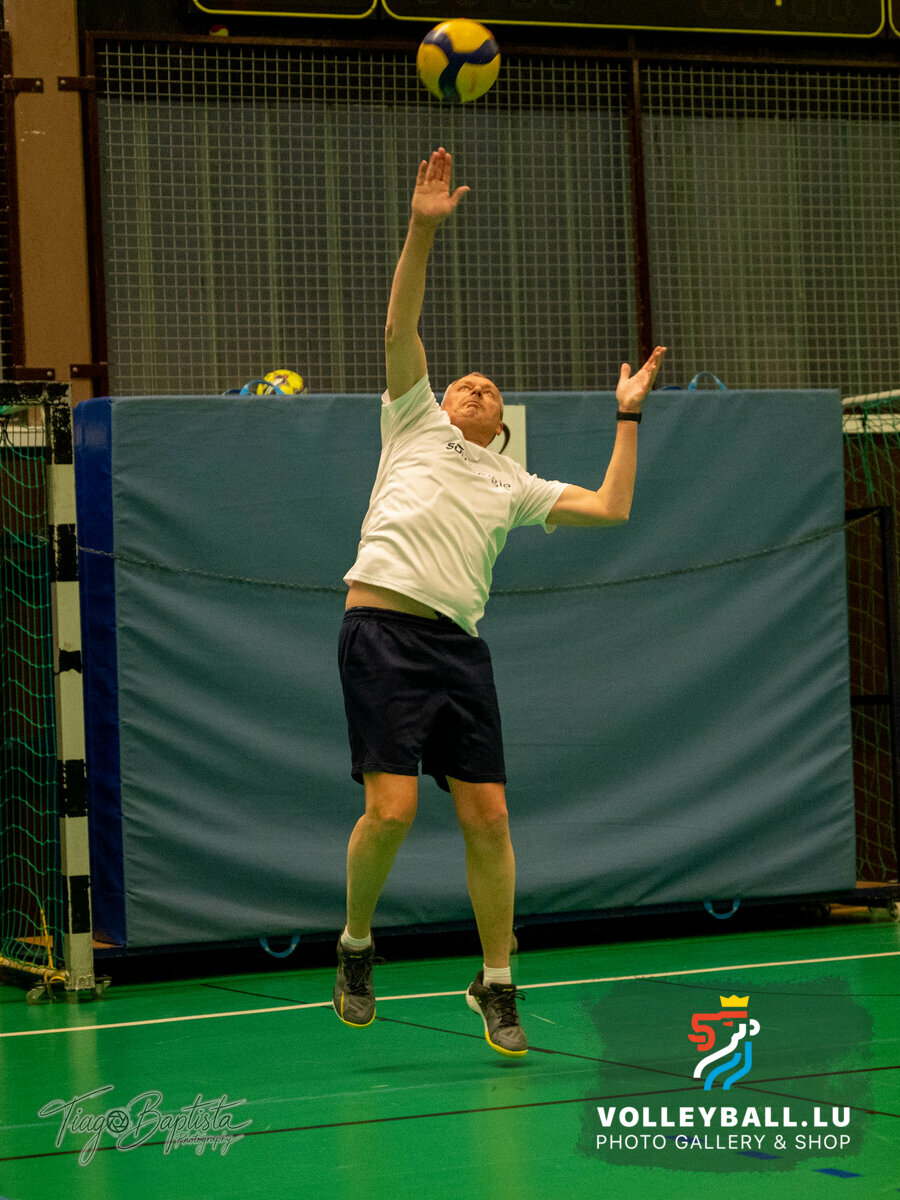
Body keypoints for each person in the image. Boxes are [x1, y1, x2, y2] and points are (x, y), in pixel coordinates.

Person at [334, 147, 666, 1057]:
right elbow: (400, 321)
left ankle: (496, 979)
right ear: (438, 403)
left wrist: (627, 412)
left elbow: (613, 506)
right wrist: (422, 229)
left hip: (457, 649)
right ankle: (356, 945)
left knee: (489, 818)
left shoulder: (513, 483)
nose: (473, 385)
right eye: (461, 383)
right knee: (392, 811)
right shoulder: (412, 423)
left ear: (502, 422)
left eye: (488, 388)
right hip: (380, 631)